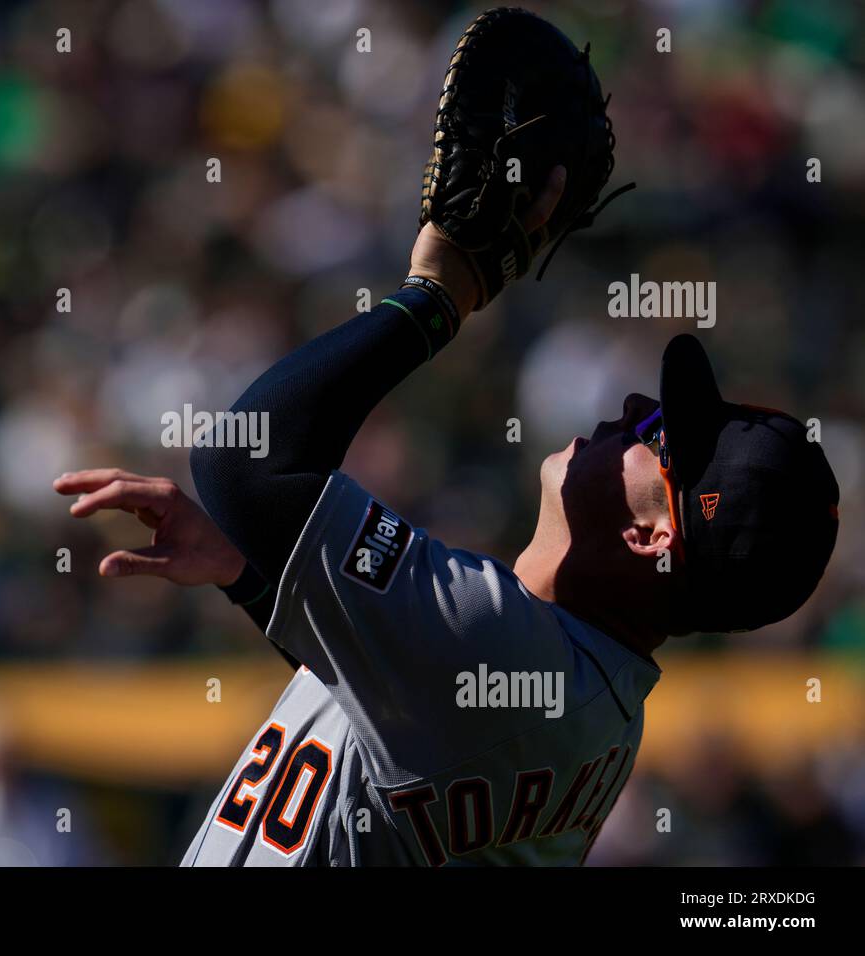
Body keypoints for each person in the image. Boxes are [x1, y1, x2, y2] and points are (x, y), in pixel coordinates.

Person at [52, 168, 839, 866]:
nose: (632, 410)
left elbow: (240, 457)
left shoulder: (514, 654)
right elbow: (398, 705)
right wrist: (253, 579)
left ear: (652, 534)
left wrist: (435, 299)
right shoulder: (573, 690)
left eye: (657, 438)